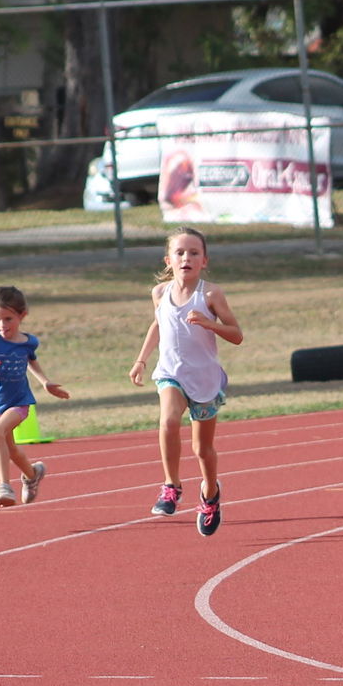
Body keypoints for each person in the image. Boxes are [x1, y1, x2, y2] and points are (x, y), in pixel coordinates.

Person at [128, 227, 244, 536]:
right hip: (171, 373)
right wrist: (141, 360)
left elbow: (237, 334)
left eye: (194, 253)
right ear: (168, 260)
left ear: (204, 260)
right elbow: (158, 325)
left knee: (202, 450)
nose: (186, 258)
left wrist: (208, 323)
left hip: (204, 378)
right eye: (180, 253)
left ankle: (210, 494)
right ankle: (171, 486)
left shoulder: (210, 294)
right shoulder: (160, 293)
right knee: (167, 422)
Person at [0, 286, 70, 507]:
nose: (2, 325)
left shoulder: (27, 342)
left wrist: (45, 382)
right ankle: (32, 475)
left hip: (19, 401)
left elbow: (31, 361)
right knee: (11, 449)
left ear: (21, 316)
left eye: (8, 319)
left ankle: (4, 487)